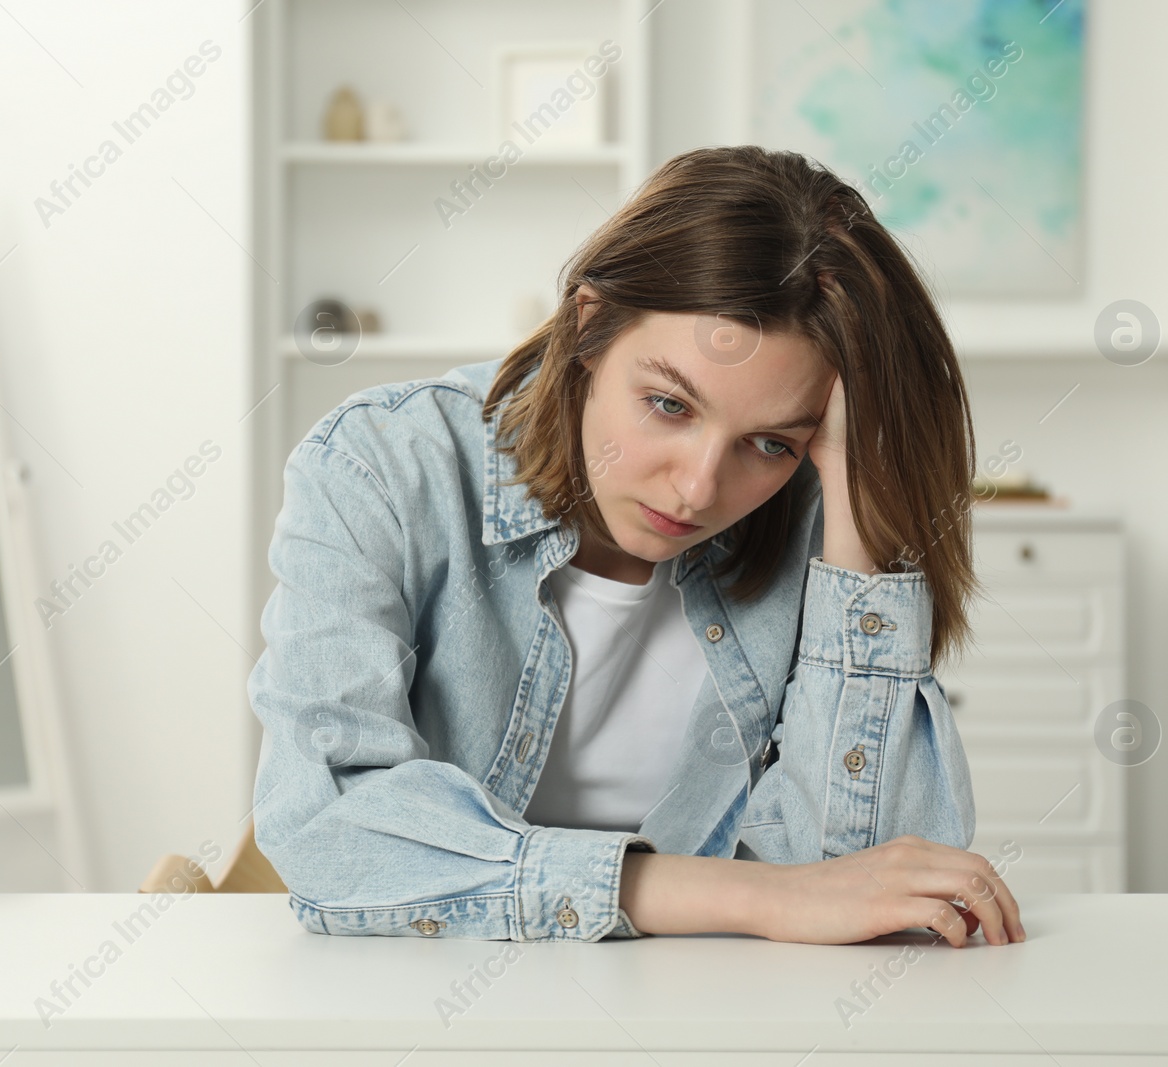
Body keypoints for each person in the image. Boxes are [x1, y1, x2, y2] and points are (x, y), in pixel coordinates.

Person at [247, 145, 1023, 947]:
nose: (696, 488)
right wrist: (748, 896)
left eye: (769, 443)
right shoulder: (382, 466)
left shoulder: (815, 517)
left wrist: (860, 501)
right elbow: (332, 834)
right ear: (590, 324)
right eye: (668, 404)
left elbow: (869, 884)